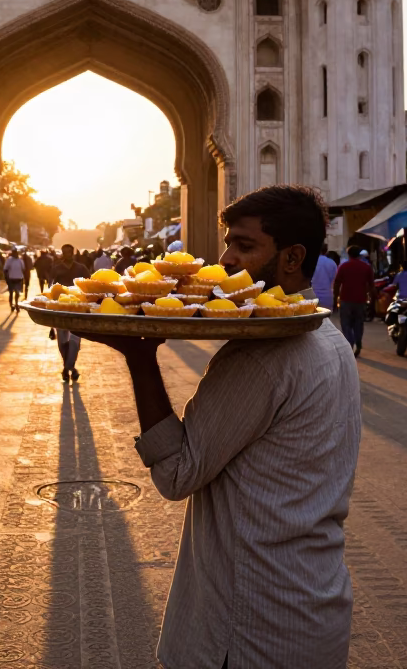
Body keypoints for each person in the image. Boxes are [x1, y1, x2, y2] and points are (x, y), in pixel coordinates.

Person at [81, 184, 360, 668]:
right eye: (228, 242)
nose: (225, 258)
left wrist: (140, 357)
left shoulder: (265, 355)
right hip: (313, 605)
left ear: (292, 258)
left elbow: (176, 474)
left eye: (245, 246)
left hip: (249, 624)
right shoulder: (329, 339)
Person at [50, 243, 90, 381]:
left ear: (72, 253)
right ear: (62, 253)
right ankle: (70, 368)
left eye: (69, 252)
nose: (67, 255)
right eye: (64, 252)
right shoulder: (57, 269)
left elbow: (88, 285)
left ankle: (67, 369)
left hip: (76, 308)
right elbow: (51, 289)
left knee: (74, 341)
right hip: (60, 308)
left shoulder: (81, 268)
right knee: (62, 343)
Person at [332, 245, 375, 358]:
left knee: (346, 324)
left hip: (346, 299)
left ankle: (349, 343)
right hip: (360, 300)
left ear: (349, 254)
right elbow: (371, 285)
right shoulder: (366, 267)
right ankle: (358, 343)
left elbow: (337, 283)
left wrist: (335, 297)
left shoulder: (343, 266)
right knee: (358, 323)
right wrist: (372, 300)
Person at [311, 243, 338, 309]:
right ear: (326, 251)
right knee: (326, 318)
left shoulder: (311, 262)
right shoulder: (332, 263)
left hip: (312, 295)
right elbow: (334, 279)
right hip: (327, 296)